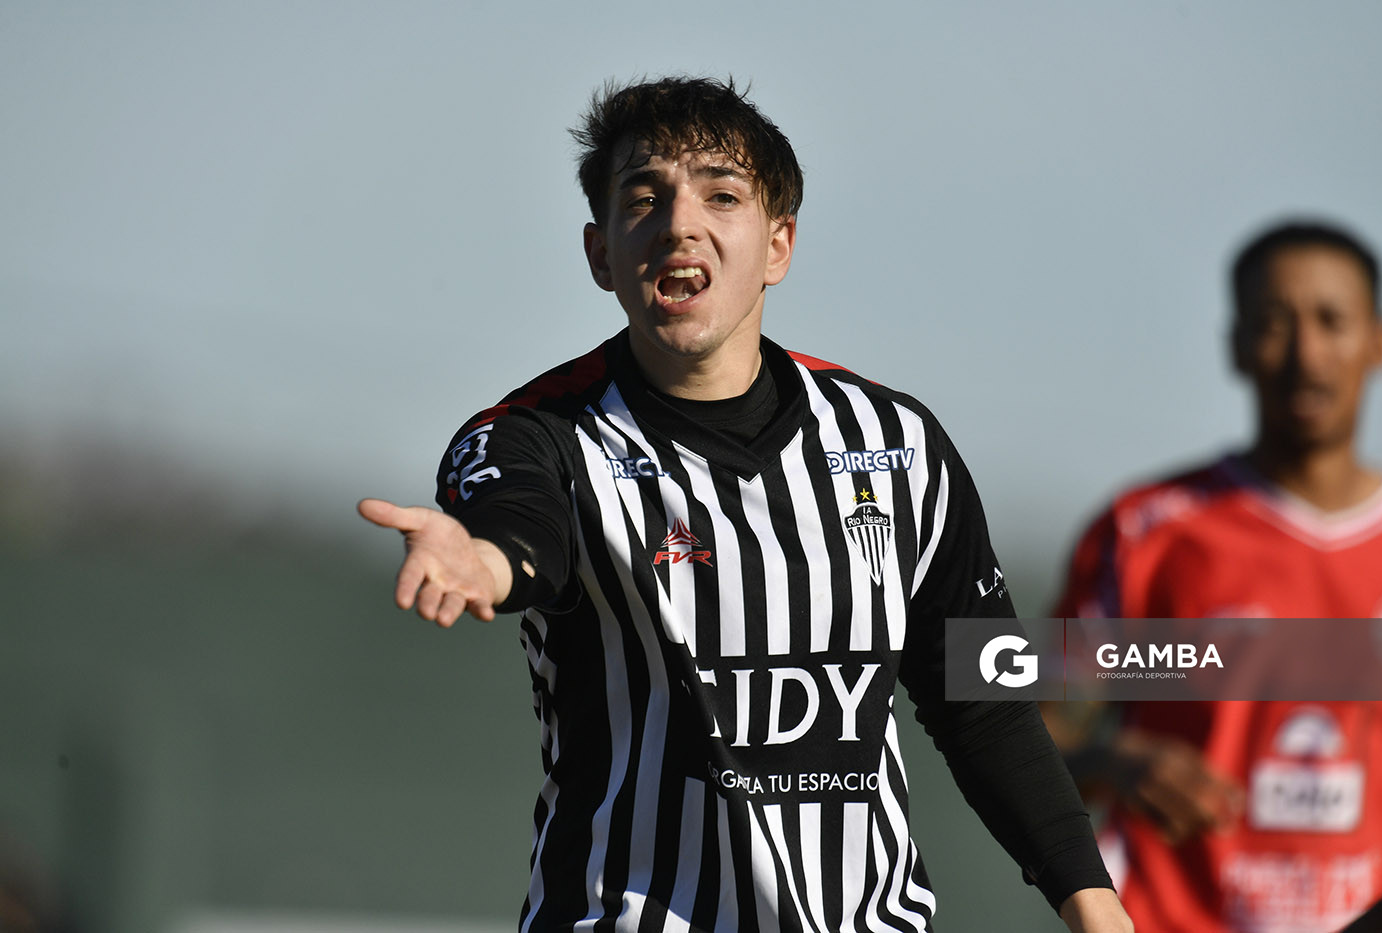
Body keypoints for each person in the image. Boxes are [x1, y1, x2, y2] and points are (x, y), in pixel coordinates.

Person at [359, 76, 1130, 932]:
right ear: (600, 253)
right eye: (644, 198)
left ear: (778, 245)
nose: (680, 222)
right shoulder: (536, 435)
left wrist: (1098, 910)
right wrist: (491, 560)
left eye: (721, 195)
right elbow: (520, 527)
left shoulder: (897, 441)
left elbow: (981, 700)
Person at [1048, 220, 1382, 932]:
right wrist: (1107, 759)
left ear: (1378, 341)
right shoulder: (1148, 530)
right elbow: (1012, 725)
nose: (1306, 354)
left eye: (1331, 320)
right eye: (1274, 322)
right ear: (1236, 347)